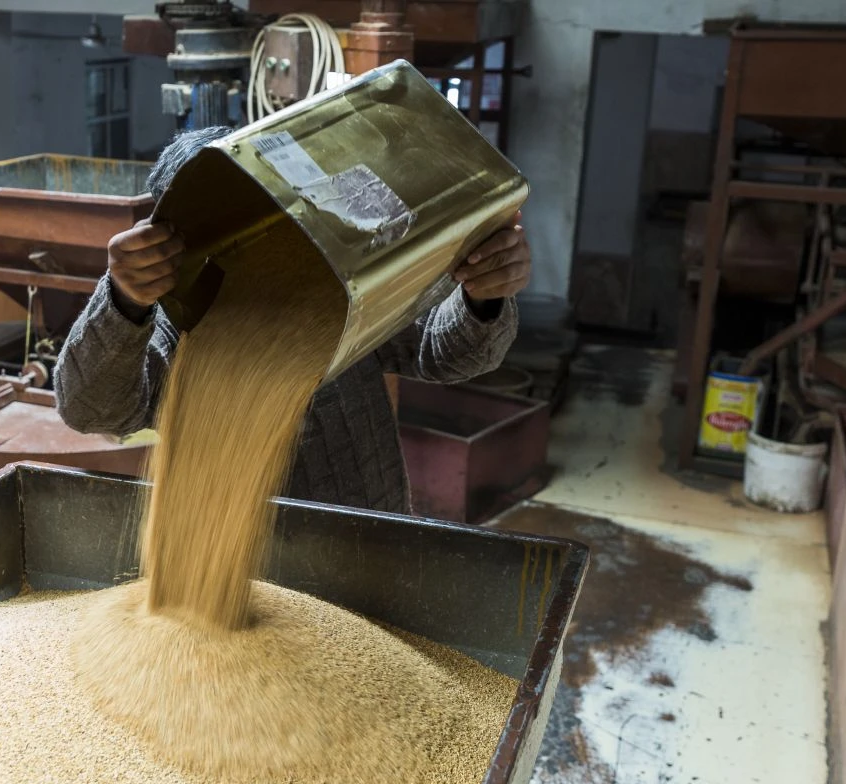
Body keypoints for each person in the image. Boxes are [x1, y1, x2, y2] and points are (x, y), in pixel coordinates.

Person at [53, 126, 531, 514]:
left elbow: (450, 354)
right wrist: (123, 299)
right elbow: (89, 409)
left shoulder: (340, 295)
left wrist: (483, 296)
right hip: (234, 568)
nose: (254, 254)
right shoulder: (174, 326)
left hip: (368, 540)